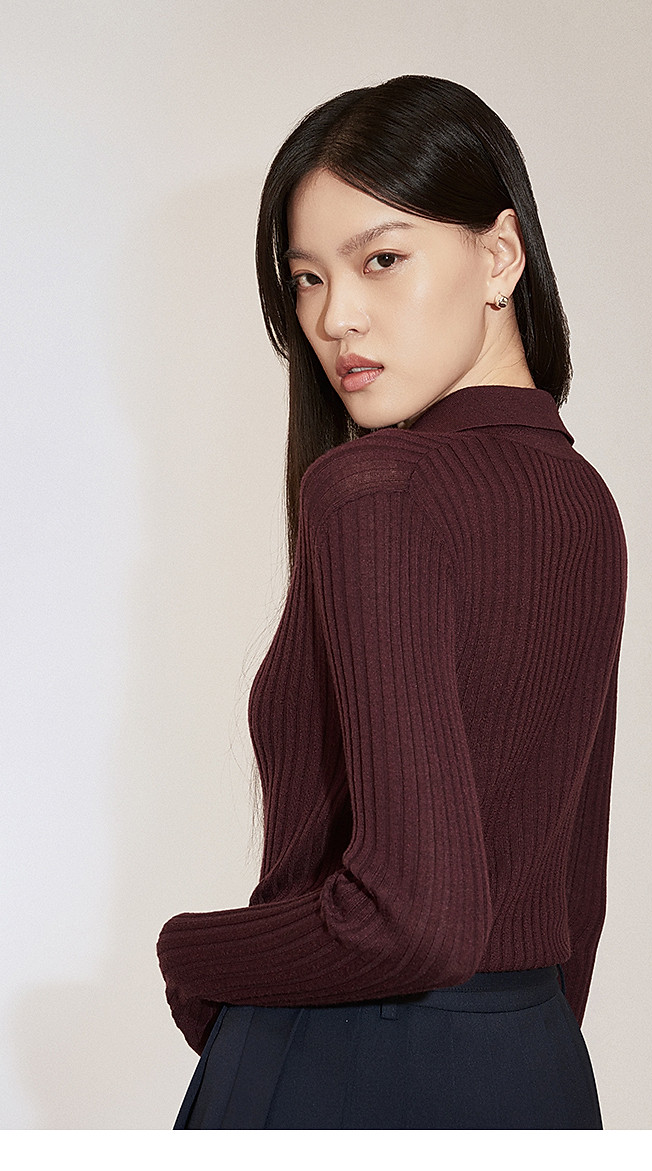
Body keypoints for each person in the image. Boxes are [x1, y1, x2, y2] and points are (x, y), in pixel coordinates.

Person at [156, 74, 627, 1130]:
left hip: (343, 1065)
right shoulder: (583, 498)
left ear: (500, 256)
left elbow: (413, 919)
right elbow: (574, 895)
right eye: (307, 278)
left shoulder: (376, 490)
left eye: (381, 259)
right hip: (536, 1064)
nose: (336, 317)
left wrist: (192, 952)